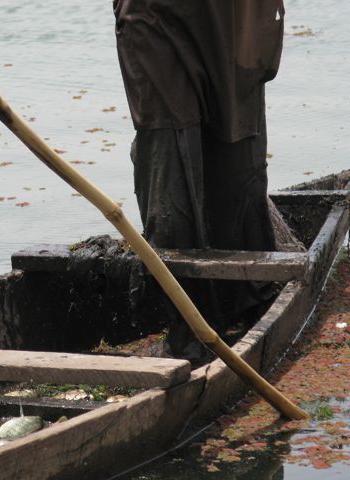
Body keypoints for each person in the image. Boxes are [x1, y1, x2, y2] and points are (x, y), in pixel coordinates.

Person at [113, 0, 285, 359]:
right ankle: (189, 321)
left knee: (234, 131)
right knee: (167, 145)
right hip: (155, 12)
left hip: (234, 11)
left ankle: (243, 296)